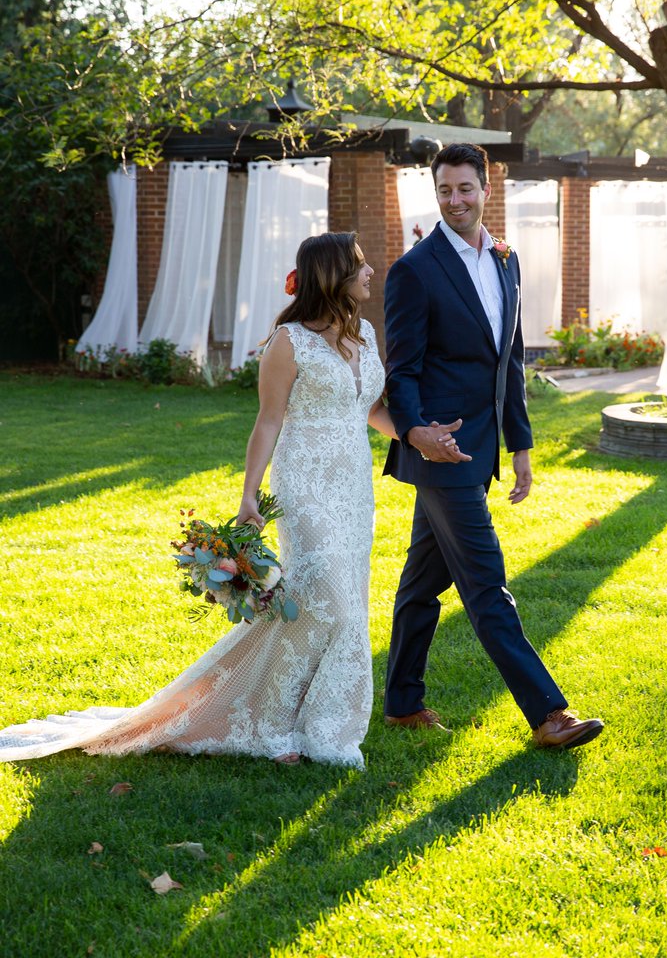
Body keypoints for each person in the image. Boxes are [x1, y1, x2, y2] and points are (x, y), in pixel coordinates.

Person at [0, 232, 397, 768]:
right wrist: (248, 494)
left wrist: (418, 436)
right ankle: (282, 721)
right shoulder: (288, 341)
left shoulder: (365, 335)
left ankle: (324, 726)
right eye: (361, 264)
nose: (371, 271)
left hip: (354, 486)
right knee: (324, 598)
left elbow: (365, 407)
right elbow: (269, 420)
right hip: (306, 483)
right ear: (333, 274)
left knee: (346, 605)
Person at [381, 142, 604, 750]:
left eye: (465, 189)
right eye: (445, 191)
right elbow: (399, 373)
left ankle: (402, 702)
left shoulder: (506, 260)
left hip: (483, 448)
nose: (455, 201)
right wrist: (416, 433)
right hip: (439, 450)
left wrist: (521, 446)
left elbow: (510, 358)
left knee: (423, 582)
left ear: (486, 187)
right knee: (484, 581)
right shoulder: (414, 271)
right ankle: (549, 714)